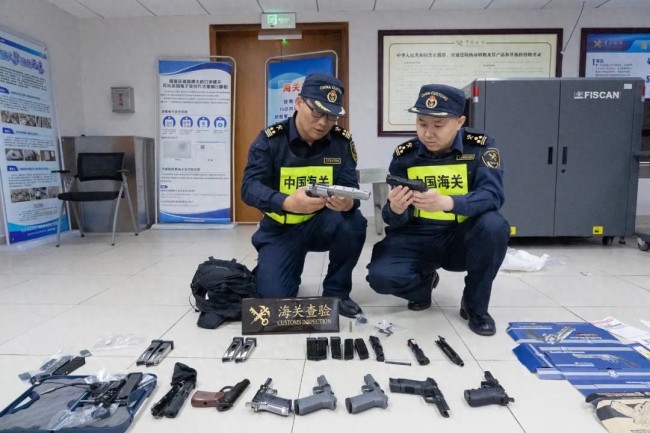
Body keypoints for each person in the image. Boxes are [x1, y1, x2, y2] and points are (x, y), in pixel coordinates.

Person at [366, 83, 509, 336]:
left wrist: (448, 203)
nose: (428, 133)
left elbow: (493, 195)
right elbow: (392, 219)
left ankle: (475, 306)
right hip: (417, 235)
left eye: (438, 125)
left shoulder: (481, 148)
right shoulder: (405, 155)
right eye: (421, 123)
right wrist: (396, 209)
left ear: (459, 122)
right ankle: (422, 286)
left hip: (461, 235)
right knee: (381, 276)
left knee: (494, 226)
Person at [241, 73, 368, 318]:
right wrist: (287, 202)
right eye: (317, 112)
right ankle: (274, 268)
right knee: (275, 300)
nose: (323, 122)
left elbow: (349, 185)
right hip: (280, 229)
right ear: (299, 103)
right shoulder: (271, 140)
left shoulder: (341, 142)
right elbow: (249, 187)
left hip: (322, 223)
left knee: (354, 222)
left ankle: (337, 292)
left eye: (331, 116)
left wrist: (347, 202)